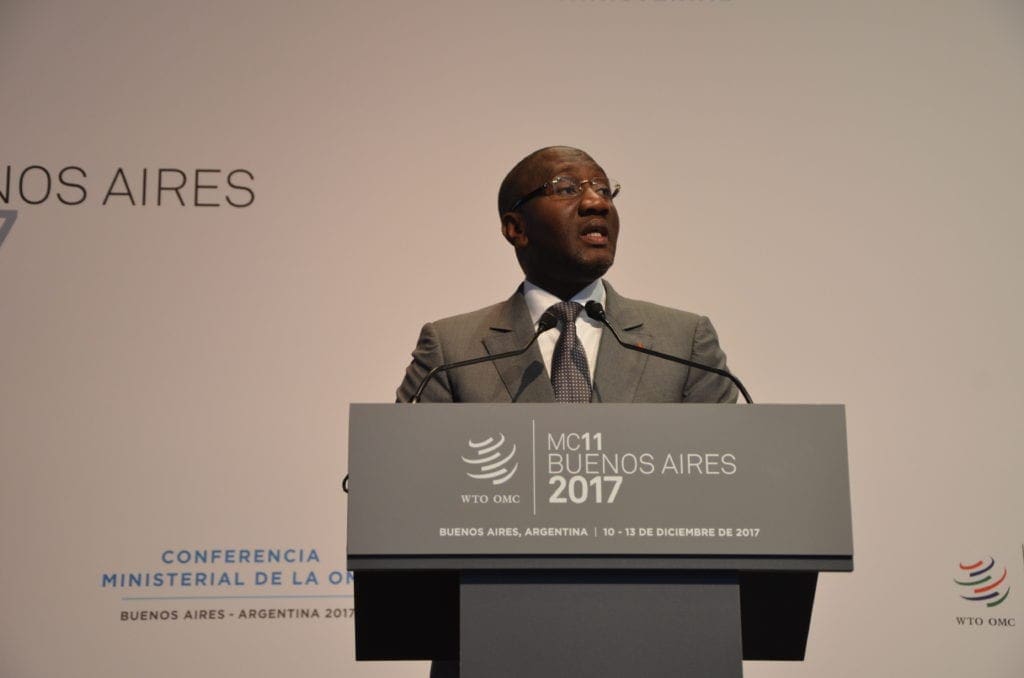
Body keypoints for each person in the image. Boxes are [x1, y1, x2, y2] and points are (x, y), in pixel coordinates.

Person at [396, 145, 738, 404]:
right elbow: (409, 465)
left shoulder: (684, 344)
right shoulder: (452, 352)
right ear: (516, 228)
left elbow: (725, 464)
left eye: (604, 190)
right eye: (566, 189)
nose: (597, 203)